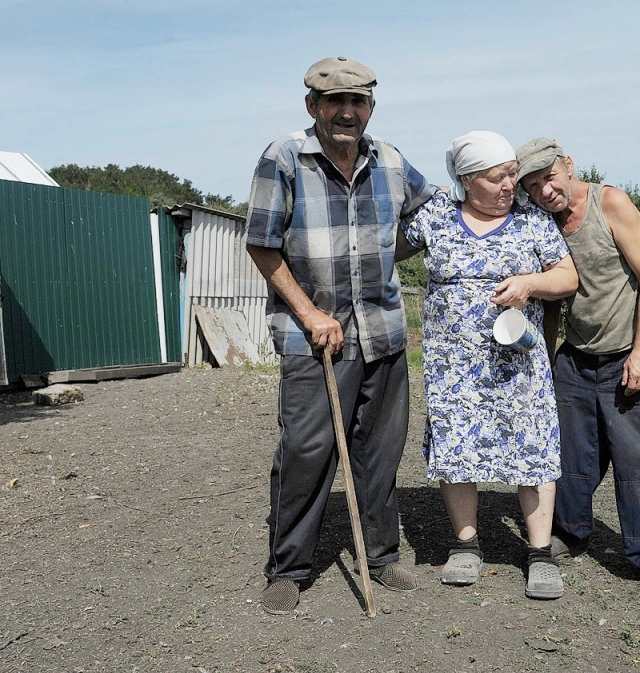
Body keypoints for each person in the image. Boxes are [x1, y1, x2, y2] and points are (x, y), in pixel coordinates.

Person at [244, 56, 436, 615]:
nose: (347, 112)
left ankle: (380, 554)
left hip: (384, 333)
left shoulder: (393, 161)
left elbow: (428, 220)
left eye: (359, 102)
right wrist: (310, 314)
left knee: (379, 451)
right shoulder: (283, 158)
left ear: (371, 107)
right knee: (308, 449)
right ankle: (290, 567)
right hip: (316, 337)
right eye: (336, 102)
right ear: (313, 107)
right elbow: (262, 242)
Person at [399, 131, 578, 600]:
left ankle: (539, 555)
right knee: (457, 447)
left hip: (518, 366)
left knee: (532, 446)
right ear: (466, 180)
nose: (509, 185)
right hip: (453, 368)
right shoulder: (436, 217)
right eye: (497, 178)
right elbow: (386, 247)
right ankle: (466, 545)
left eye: (512, 176)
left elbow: (567, 276)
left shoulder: (532, 221)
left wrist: (528, 284)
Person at [516, 137, 640, 599]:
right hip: (577, 356)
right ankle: (570, 531)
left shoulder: (610, 202)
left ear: (567, 166)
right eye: (532, 186)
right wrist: (548, 358)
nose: (544, 191)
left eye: (548, 177)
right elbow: (552, 296)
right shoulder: (543, 224)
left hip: (629, 352)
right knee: (569, 453)